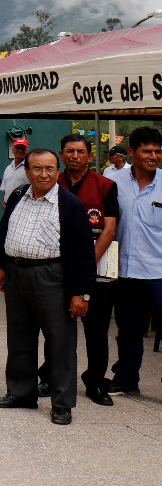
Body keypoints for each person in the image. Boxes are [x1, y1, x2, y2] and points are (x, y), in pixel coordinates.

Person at [0, 148, 95, 425]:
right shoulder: (17, 196)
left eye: (50, 168)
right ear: (27, 172)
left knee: (60, 341)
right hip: (16, 274)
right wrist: (1, 265)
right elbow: (3, 232)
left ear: (58, 172)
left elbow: (84, 252)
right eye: (37, 168)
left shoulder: (69, 204)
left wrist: (81, 293)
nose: (44, 174)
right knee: (19, 337)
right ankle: (21, 393)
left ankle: (62, 404)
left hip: (52, 277)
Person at [42, 134, 118, 405]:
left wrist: (86, 264)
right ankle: (50, 375)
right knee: (56, 327)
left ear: (90, 155)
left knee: (97, 329)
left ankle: (95, 381)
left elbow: (109, 228)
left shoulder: (106, 185)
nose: (75, 156)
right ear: (61, 155)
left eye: (80, 151)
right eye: (70, 151)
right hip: (56, 268)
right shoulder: (52, 182)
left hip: (95, 268)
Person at [108, 126, 162, 396]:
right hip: (125, 271)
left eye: (157, 151)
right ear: (131, 152)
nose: (153, 156)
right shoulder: (113, 183)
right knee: (128, 330)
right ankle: (126, 380)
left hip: (159, 272)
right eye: (146, 151)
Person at [0, 138, 31, 208]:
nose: (20, 151)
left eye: (23, 149)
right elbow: (5, 188)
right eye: (17, 148)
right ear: (12, 150)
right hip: (8, 206)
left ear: (27, 151)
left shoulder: (30, 168)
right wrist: (4, 202)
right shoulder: (8, 168)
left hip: (23, 206)